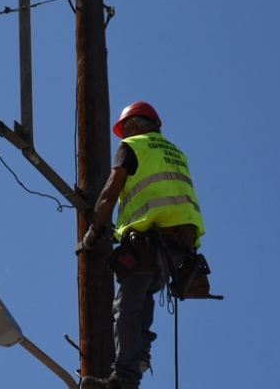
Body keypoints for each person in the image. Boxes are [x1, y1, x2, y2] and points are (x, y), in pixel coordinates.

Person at [77, 101, 206, 389]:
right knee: (145, 296)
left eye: (124, 130)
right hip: (180, 247)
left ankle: (124, 379)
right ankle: (140, 357)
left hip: (150, 239)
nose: (123, 136)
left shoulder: (133, 146)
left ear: (133, 126)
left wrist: (93, 234)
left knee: (126, 308)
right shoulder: (175, 153)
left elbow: (110, 193)